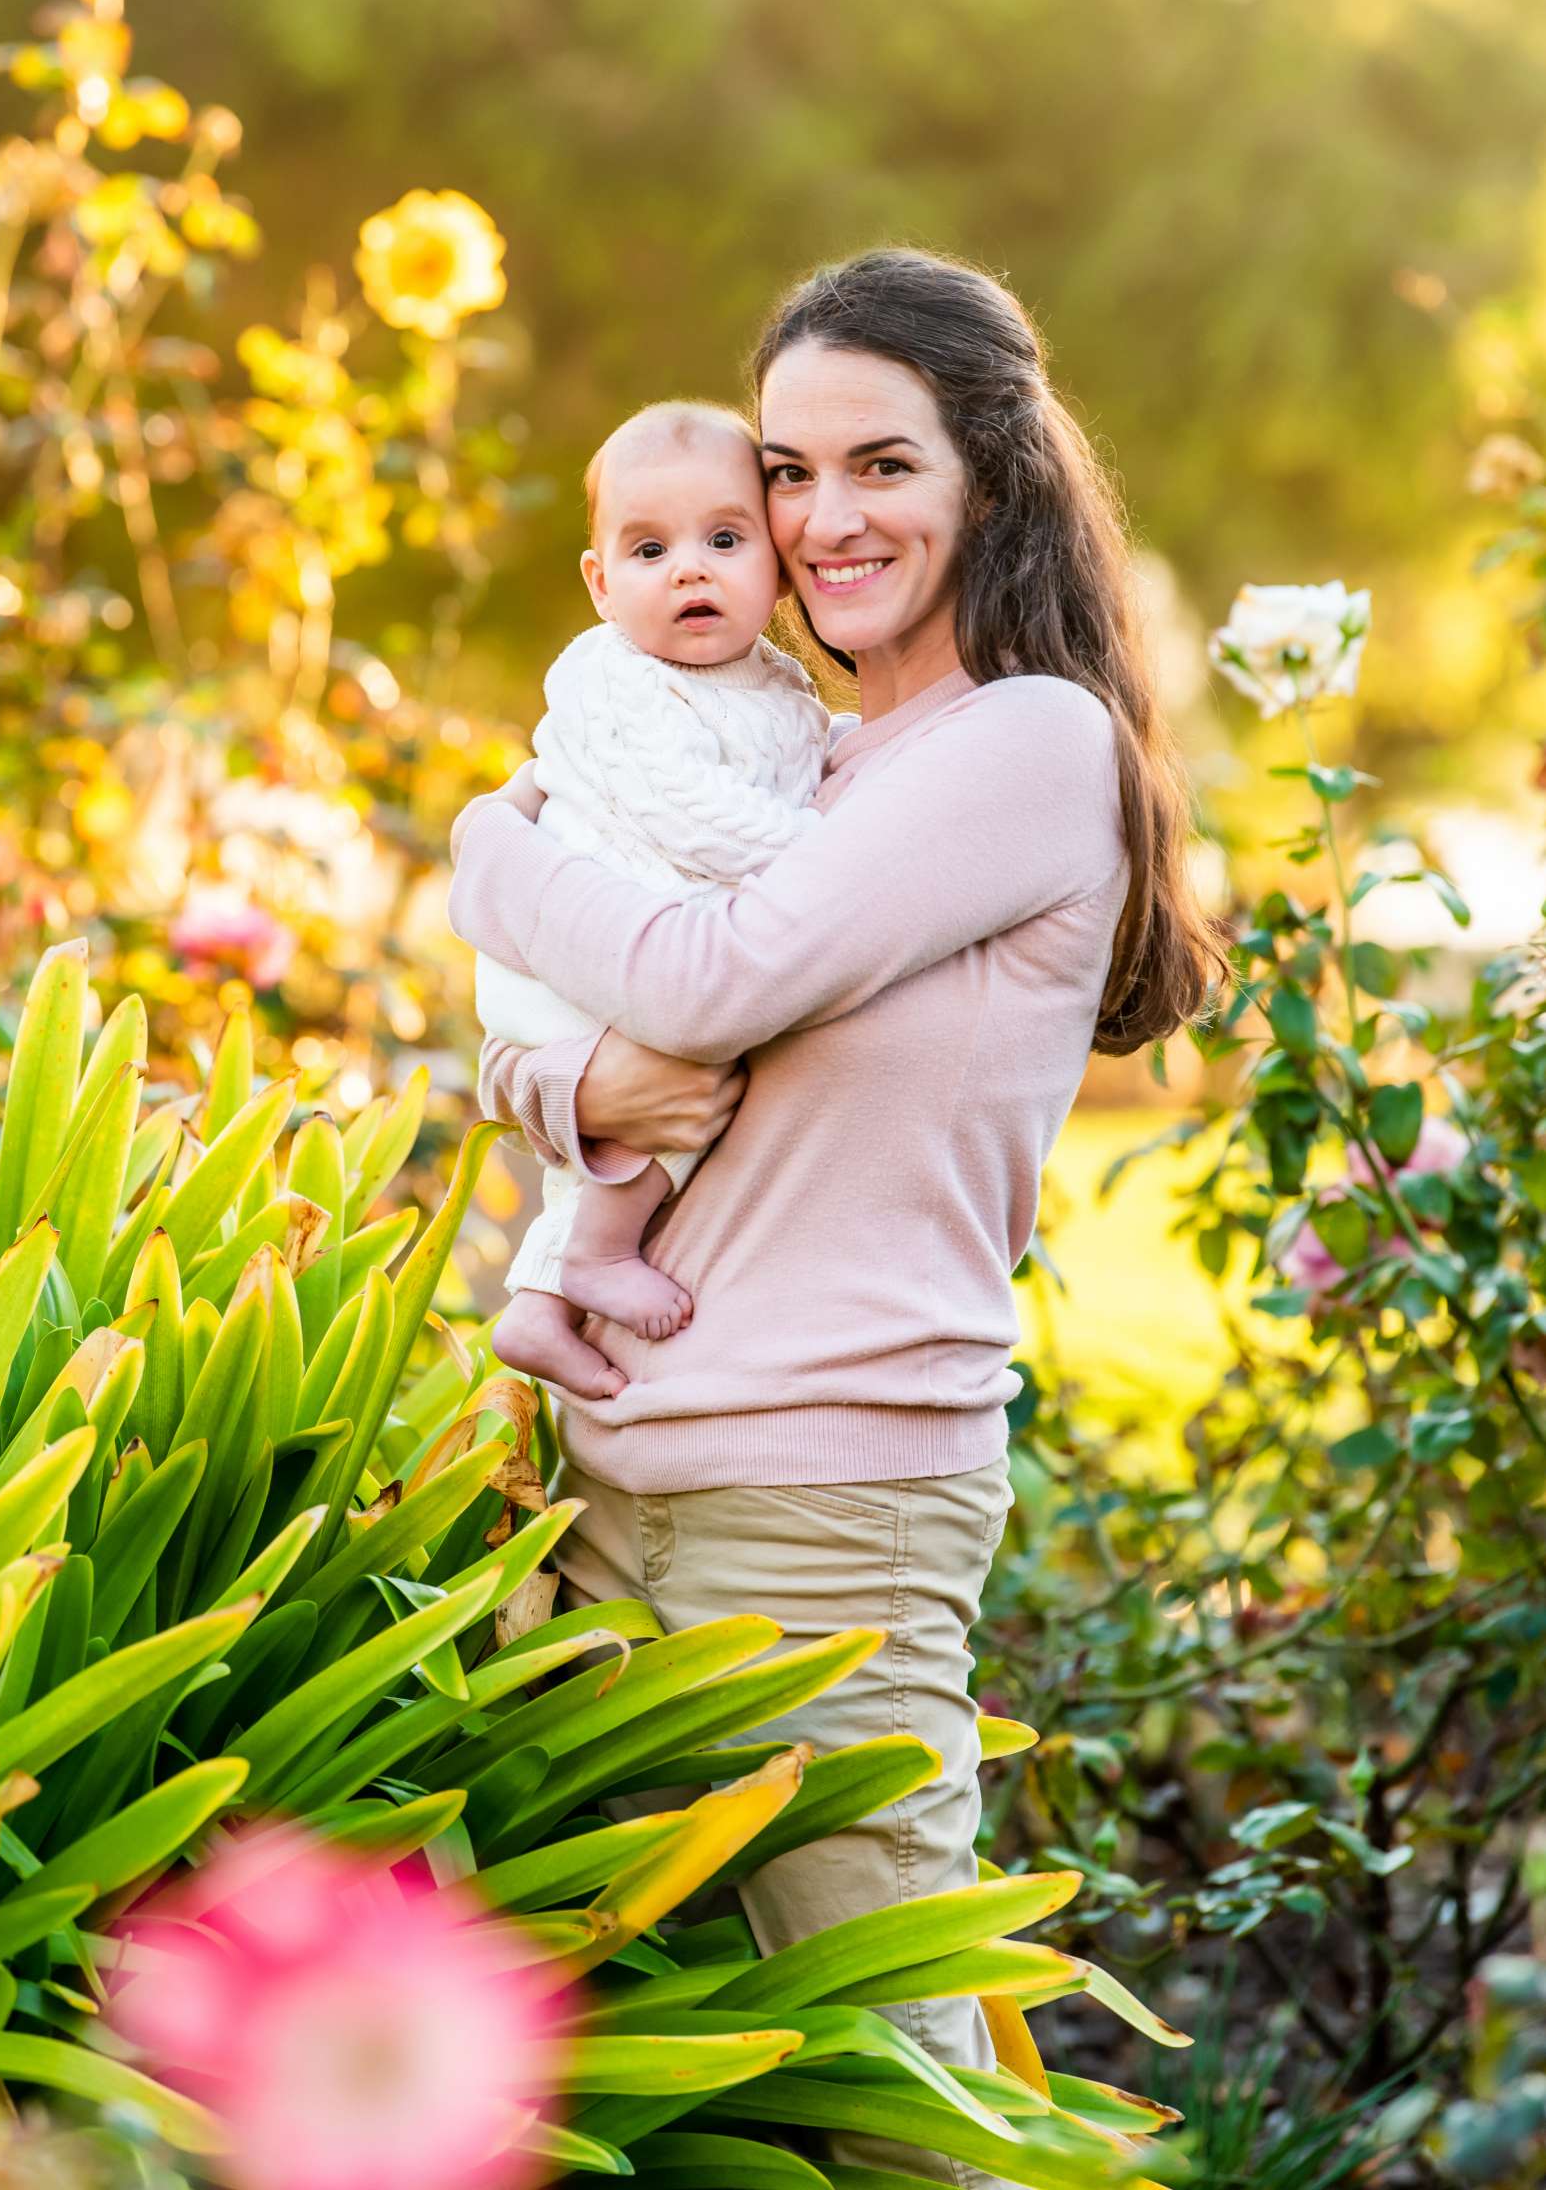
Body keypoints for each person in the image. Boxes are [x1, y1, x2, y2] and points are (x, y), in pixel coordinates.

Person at [448, 249, 1222, 2188]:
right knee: (700, 2121)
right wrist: (561, 1085)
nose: (820, 518)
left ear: (994, 475)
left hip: (825, 1518)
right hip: (618, 1481)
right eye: (786, 472)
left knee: (905, 2118)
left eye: (881, 463)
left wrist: (481, 848)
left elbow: (708, 988)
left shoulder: (1023, 748)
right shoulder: (792, 753)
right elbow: (637, 1058)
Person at [469, 398, 828, 1401]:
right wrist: (834, 856)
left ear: (775, 561)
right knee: (686, 1073)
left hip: (629, 942)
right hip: (567, 956)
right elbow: (699, 818)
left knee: (685, 1086)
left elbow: (790, 775)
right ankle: (593, 1259)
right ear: (599, 584)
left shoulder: (779, 688)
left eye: (724, 539)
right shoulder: (616, 680)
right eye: (649, 549)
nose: (690, 568)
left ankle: (542, 1304)